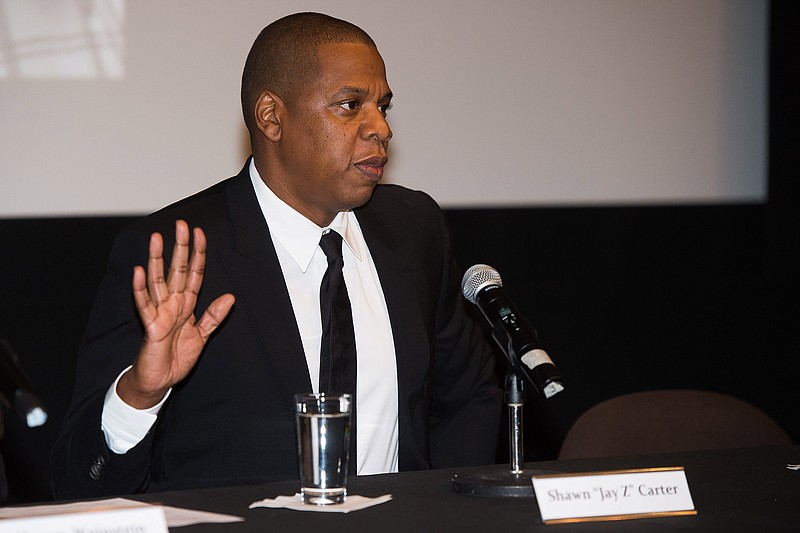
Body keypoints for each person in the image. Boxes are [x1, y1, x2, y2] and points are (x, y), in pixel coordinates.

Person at [50, 12, 502, 500]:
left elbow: (467, 398)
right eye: (350, 105)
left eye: (383, 107)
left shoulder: (415, 228)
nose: (380, 129)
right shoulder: (175, 252)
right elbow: (77, 480)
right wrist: (140, 394)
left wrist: (445, 513)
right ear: (272, 117)